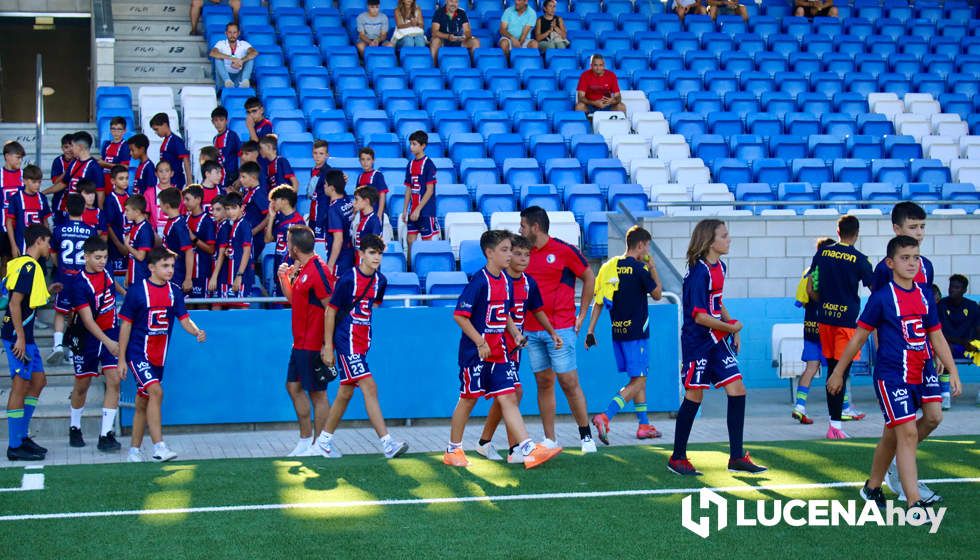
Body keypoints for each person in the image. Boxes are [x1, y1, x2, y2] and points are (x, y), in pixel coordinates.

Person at [828, 236, 960, 509]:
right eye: (904, 258)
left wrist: (953, 369)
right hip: (893, 375)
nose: (912, 263)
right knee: (907, 433)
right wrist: (839, 371)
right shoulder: (881, 298)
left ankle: (873, 486)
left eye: (916, 258)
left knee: (929, 419)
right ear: (891, 263)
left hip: (922, 369)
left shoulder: (925, 295)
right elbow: (858, 338)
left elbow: (936, 336)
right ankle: (914, 500)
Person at [444, 230, 562, 469]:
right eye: (505, 250)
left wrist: (516, 333)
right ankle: (453, 448)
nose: (509, 255)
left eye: (511, 250)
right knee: (468, 399)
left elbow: (505, 314)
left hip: (499, 352)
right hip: (475, 353)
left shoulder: (507, 282)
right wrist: (479, 341)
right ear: (489, 253)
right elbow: (460, 316)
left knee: (509, 396)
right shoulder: (479, 281)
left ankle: (527, 447)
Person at [669, 219, 767, 476]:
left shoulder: (720, 266)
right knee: (694, 396)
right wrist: (731, 328)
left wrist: (729, 322)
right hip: (697, 342)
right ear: (710, 241)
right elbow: (699, 316)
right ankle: (677, 458)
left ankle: (736, 457)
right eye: (724, 235)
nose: (729, 239)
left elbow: (717, 301)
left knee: (738, 390)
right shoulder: (698, 271)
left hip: (716, 338)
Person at [317, 234, 409, 459]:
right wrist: (328, 345)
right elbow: (331, 311)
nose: (376, 257)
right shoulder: (348, 279)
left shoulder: (381, 281)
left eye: (379, 253)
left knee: (345, 392)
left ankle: (323, 441)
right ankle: (387, 443)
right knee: (369, 386)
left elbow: (372, 308)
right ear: (361, 254)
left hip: (362, 342)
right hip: (346, 341)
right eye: (371, 252)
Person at [518, 206, 597, 453]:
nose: (520, 230)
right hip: (531, 330)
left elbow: (589, 277)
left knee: (568, 381)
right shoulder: (522, 255)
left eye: (522, 225)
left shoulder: (563, 251)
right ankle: (550, 439)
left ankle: (586, 436)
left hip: (561, 328)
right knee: (543, 382)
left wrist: (582, 313)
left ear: (535, 227)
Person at [120, 246, 207, 462]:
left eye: (172, 266)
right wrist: (122, 359)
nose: (170, 270)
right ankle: (159, 447)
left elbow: (184, 319)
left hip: (159, 357)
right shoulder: (137, 291)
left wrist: (196, 331)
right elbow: (125, 326)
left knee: (143, 401)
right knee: (157, 392)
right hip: (138, 353)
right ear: (151, 267)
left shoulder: (174, 291)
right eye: (164, 266)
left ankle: (134, 450)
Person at [587, 226, 664, 444]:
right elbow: (658, 294)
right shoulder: (640, 268)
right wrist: (653, 268)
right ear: (640, 245)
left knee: (637, 379)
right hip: (637, 334)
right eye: (647, 246)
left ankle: (643, 425)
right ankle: (605, 416)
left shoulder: (610, 267)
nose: (647, 249)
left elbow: (599, 300)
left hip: (618, 333)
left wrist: (590, 330)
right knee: (639, 380)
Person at [871, 202, 948, 410]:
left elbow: (929, 317)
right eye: (913, 227)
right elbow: (875, 318)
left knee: (932, 417)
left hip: (921, 354)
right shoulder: (884, 269)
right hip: (894, 358)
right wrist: (881, 355)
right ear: (897, 229)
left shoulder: (927, 266)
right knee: (901, 424)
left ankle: (901, 444)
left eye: (922, 226)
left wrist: (937, 351)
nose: (919, 232)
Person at [806, 215, 873, 440]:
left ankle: (834, 425)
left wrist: (821, 304)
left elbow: (811, 287)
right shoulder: (861, 259)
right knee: (840, 372)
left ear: (837, 231)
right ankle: (835, 427)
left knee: (832, 371)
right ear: (856, 233)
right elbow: (875, 289)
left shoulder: (822, 253)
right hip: (846, 323)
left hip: (824, 319)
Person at [277, 224, 335, 456]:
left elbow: (331, 308)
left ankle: (322, 445)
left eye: (289, 242)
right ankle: (305, 439)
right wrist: (284, 278)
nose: (287, 246)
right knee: (293, 386)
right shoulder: (303, 268)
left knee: (318, 394)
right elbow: (295, 300)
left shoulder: (319, 270)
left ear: (295, 247)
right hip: (299, 342)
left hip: (313, 343)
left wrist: (326, 344)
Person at [4, 224, 58, 461]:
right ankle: (15, 445)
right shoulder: (28, 266)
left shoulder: (28, 265)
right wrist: (21, 337)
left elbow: (27, 300)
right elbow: (15, 304)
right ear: (38, 241)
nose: (49, 247)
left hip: (25, 335)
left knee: (39, 381)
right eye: (47, 242)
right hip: (18, 336)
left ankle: (22, 436)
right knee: (20, 384)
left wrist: (49, 290)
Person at [64, 236, 123, 452]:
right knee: (82, 385)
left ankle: (105, 434)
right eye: (97, 257)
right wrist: (108, 342)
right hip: (89, 338)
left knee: (114, 380)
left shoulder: (106, 272)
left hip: (110, 331)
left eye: (105, 257)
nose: (102, 261)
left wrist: (127, 293)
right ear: (86, 257)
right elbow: (87, 321)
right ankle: (74, 426)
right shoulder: (78, 283)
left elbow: (112, 283)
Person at [48, 194, 97, 365]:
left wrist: (61, 267)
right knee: (80, 314)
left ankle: (58, 345)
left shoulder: (59, 229)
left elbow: (53, 254)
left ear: (66, 209)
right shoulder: (91, 231)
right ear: (84, 209)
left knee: (61, 312)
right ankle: (73, 352)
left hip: (65, 276)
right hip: (83, 278)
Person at [791, 237, 835, 425]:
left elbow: (801, 300)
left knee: (811, 367)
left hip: (809, 324)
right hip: (826, 325)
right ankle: (845, 407)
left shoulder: (808, 270)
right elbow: (813, 292)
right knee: (837, 367)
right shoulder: (827, 271)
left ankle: (799, 406)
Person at [45, 132, 102, 226]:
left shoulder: (94, 166)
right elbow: (63, 183)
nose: (71, 149)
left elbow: (100, 192)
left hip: (85, 212)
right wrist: (44, 192)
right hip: (71, 210)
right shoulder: (74, 163)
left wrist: (100, 213)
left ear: (80, 147)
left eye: (73, 146)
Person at [402, 131, 439, 260]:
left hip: (425, 211)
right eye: (410, 144)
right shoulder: (410, 164)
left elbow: (430, 190)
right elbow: (408, 189)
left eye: (414, 144)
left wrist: (418, 209)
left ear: (423, 145)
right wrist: (405, 210)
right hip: (413, 211)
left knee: (427, 243)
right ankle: (410, 269)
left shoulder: (429, 164)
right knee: (410, 240)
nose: (411, 147)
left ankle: (425, 269)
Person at [209, 191, 253, 299]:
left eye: (233, 208)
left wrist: (239, 275)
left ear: (242, 208)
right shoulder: (232, 225)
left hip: (240, 275)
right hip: (229, 275)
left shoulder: (244, 225)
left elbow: (247, 252)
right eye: (228, 209)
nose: (230, 212)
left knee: (241, 308)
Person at [265, 185, 306, 295]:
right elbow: (268, 239)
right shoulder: (279, 219)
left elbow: (301, 251)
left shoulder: (298, 222)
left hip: (290, 272)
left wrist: (294, 273)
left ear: (284, 201)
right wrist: (271, 217)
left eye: (275, 200)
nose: (272, 203)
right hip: (279, 269)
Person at [6, 165, 53, 259]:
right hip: (21, 244)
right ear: (24, 181)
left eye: (39, 182)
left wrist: (47, 245)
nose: (37, 185)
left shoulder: (42, 198)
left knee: (40, 271)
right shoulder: (16, 198)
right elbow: (9, 223)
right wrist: (13, 246)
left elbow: (45, 223)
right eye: (34, 182)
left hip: (39, 245)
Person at [182, 185, 217, 300]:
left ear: (198, 200)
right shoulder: (185, 219)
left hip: (202, 271)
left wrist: (194, 239)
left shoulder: (207, 222)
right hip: (187, 271)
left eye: (187, 199)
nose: (184, 202)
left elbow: (211, 249)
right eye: (184, 199)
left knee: (202, 303)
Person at [158, 188, 194, 293]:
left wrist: (188, 279)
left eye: (160, 204)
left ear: (167, 206)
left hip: (178, 274)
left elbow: (189, 251)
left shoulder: (179, 225)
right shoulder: (172, 221)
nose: (159, 207)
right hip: (171, 272)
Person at [938, 274, 979, 360]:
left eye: (956, 288)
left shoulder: (972, 306)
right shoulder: (941, 305)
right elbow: (937, 332)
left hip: (969, 346)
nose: (952, 290)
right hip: (948, 346)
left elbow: (977, 328)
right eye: (951, 286)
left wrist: (972, 344)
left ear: (964, 290)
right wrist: (962, 343)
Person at [323, 169, 356, 275]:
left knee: (337, 289)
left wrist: (330, 264)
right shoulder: (347, 200)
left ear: (332, 188)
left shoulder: (333, 209)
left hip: (340, 257)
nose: (324, 186)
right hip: (350, 252)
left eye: (325, 184)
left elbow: (338, 239)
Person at [0, 141, 25, 276]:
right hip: (2, 226)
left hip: (19, 226)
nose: (20, 161)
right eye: (18, 157)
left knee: (17, 260)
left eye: (21, 158)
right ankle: (3, 291)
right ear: (7, 156)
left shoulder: (24, 175)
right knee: (4, 260)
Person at [149, 113, 192, 190]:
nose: (156, 132)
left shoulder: (176, 141)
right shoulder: (166, 140)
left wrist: (189, 182)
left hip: (176, 181)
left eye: (156, 129)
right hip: (167, 181)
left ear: (165, 125)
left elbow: (186, 160)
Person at [209, 22, 257, 89]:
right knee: (217, 58)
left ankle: (245, 81)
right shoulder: (221, 43)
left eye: (234, 32)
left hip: (238, 77)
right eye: (230, 32)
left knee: (251, 58)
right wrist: (232, 58)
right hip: (223, 79)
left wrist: (241, 61)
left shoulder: (243, 44)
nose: (232, 35)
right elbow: (212, 53)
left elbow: (254, 52)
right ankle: (227, 81)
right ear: (226, 33)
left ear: (238, 33)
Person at [103, 165, 131, 277]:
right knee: (118, 278)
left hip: (129, 245)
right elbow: (108, 225)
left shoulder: (129, 197)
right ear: (113, 181)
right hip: (117, 246)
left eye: (126, 178)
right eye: (121, 178)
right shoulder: (110, 200)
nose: (125, 181)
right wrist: (119, 245)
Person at [123, 195, 155, 288]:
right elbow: (131, 256)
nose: (125, 213)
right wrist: (128, 275)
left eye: (127, 210)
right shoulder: (135, 226)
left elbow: (141, 256)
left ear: (137, 212)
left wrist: (127, 245)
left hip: (142, 276)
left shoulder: (144, 229)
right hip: (134, 276)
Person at [97, 117, 131, 199]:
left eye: (119, 129)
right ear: (110, 130)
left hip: (116, 181)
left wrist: (105, 164)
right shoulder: (106, 144)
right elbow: (102, 160)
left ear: (124, 131)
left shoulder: (125, 146)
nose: (116, 132)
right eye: (113, 129)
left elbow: (124, 167)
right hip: (104, 179)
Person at [350, 186, 383, 264]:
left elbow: (375, 247)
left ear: (366, 201)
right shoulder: (364, 218)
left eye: (357, 199)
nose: (354, 203)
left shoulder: (374, 220)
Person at [356, 147, 388, 218]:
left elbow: (382, 195)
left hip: (375, 214)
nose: (365, 162)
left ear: (373, 160)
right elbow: (357, 196)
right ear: (359, 161)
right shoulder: (360, 176)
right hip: (363, 215)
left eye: (368, 159)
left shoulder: (378, 175)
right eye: (363, 159)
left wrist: (379, 214)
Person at [211, 106, 241, 183]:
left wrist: (240, 177)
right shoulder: (215, 139)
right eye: (216, 120)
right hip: (220, 178)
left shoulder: (232, 136)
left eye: (221, 120)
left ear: (226, 121)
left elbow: (241, 155)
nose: (218, 123)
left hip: (232, 177)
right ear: (212, 122)